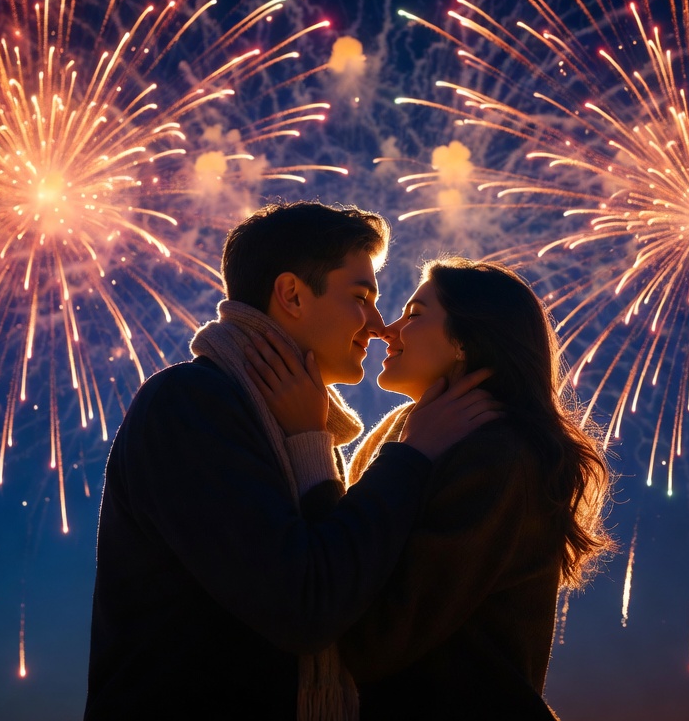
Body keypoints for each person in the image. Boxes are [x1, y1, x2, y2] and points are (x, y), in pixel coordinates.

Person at [84, 204, 498, 720]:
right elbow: (308, 604)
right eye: (361, 297)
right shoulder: (190, 405)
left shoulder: (285, 425)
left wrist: (311, 441)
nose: (375, 324)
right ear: (293, 295)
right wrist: (410, 456)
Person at [246, 256, 613, 719]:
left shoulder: (498, 455)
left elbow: (366, 637)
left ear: (466, 341)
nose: (388, 330)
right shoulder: (409, 433)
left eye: (415, 315)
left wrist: (311, 444)